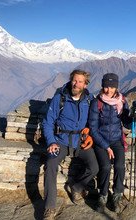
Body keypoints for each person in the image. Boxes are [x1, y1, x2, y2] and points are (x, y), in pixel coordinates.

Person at [42, 69, 99, 220]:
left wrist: (91, 136)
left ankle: (76, 187)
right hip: (60, 141)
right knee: (51, 164)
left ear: (85, 85)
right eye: (74, 80)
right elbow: (48, 122)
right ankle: (49, 208)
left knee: (95, 167)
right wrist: (51, 141)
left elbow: (94, 122)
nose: (76, 84)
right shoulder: (59, 98)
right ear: (70, 80)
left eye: (80, 81)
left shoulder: (89, 100)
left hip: (80, 142)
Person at [88, 73, 136, 213]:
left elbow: (127, 123)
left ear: (116, 87)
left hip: (117, 140)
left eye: (112, 87)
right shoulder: (97, 103)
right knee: (105, 166)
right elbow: (93, 129)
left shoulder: (122, 101)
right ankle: (103, 196)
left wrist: (135, 117)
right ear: (102, 86)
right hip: (101, 141)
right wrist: (106, 146)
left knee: (119, 166)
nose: (108, 90)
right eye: (106, 86)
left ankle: (117, 196)